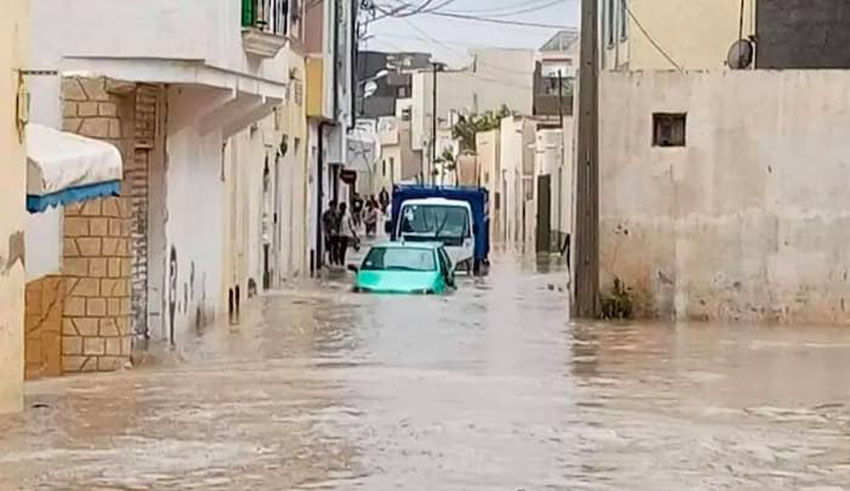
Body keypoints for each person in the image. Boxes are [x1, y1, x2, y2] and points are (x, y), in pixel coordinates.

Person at [321, 201, 339, 265]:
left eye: (334, 206)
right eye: (332, 206)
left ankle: (336, 260)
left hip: (336, 233)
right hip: (329, 233)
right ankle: (330, 260)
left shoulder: (336, 214)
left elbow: (338, 223)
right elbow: (323, 223)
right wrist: (326, 233)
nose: (333, 208)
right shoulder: (326, 214)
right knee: (329, 247)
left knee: (336, 247)